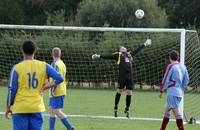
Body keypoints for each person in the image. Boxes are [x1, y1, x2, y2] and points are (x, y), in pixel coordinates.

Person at [5, 40, 64, 130]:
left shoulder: (16, 68)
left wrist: (8, 107)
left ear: (22, 51)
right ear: (35, 51)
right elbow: (60, 78)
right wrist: (46, 87)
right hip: (37, 107)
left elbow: (11, 90)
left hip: (20, 108)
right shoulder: (43, 65)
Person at [92, 39, 151, 117]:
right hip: (122, 76)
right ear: (120, 50)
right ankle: (116, 107)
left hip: (129, 77)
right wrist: (98, 56)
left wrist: (145, 44)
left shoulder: (129, 54)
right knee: (119, 91)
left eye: (124, 47)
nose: (124, 48)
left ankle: (127, 109)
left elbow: (137, 50)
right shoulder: (118, 55)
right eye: (122, 47)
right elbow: (108, 56)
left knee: (129, 93)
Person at [159, 50, 189, 130]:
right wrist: (181, 88)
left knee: (177, 113)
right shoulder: (183, 67)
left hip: (172, 93)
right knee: (167, 110)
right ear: (178, 57)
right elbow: (186, 80)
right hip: (179, 93)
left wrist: (161, 90)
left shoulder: (171, 66)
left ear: (170, 58)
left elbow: (166, 78)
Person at [49, 47, 75, 130]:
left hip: (56, 91)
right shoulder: (62, 63)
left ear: (52, 54)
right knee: (52, 111)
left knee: (56, 111)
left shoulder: (55, 64)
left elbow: (57, 78)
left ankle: (70, 127)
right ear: (60, 54)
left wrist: (53, 89)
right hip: (61, 90)